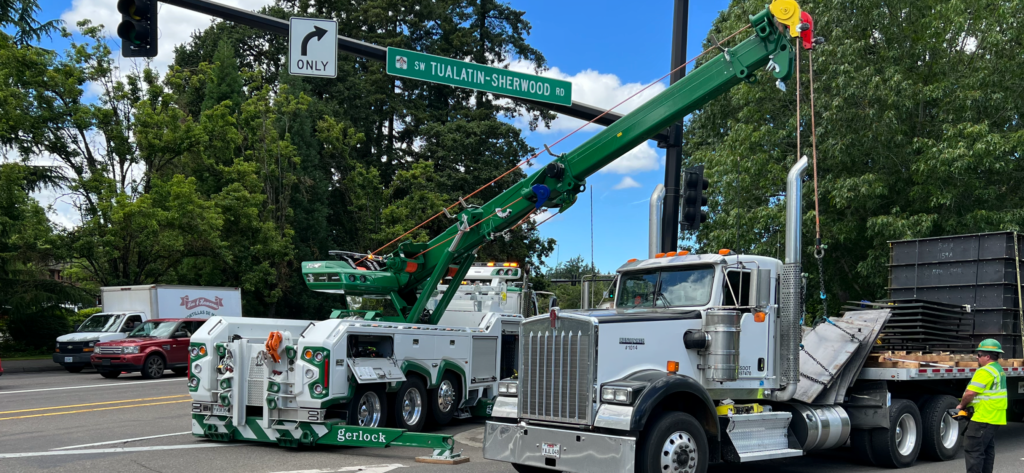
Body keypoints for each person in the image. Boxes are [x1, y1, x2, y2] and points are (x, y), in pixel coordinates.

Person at [951, 339, 1008, 473]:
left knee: (973, 451)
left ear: (987, 356)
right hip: (994, 417)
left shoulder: (984, 371)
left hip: (983, 417)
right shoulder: (998, 370)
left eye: (979, 355)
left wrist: (961, 406)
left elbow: (970, 393)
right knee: (986, 451)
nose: (977, 358)